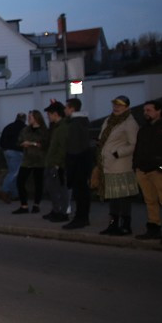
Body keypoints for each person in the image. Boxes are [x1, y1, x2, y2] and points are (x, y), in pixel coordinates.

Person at [96, 95, 140, 236]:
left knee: (123, 197)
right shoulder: (109, 120)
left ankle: (126, 226)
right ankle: (113, 225)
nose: (116, 107)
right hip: (108, 164)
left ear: (126, 107)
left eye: (120, 105)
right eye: (115, 104)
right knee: (113, 197)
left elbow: (134, 144)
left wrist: (117, 153)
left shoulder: (129, 123)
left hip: (121, 165)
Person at [133, 99, 162, 242]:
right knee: (150, 201)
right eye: (144, 110)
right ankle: (153, 228)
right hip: (143, 170)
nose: (145, 113)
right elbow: (138, 149)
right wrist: (136, 166)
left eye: (149, 110)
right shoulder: (144, 129)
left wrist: (161, 168)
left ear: (158, 111)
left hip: (158, 171)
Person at [62, 98, 94, 230]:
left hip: (78, 163)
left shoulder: (75, 124)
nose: (65, 110)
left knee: (80, 192)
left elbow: (74, 148)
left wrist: (70, 166)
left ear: (72, 109)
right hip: (83, 161)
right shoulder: (83, 122)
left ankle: (80, 218)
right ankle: (82, 217)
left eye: (66, 107)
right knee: (82, 192)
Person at [12, 110, 48, 215]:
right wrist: (22, 144)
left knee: (38, 183)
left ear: (36, 118)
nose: (29, 119)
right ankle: (24, 205)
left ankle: (36, 205)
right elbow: (19, 141)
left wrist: (33, 144)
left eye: (30, 117)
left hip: (39, 160)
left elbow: (45, 144)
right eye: (28, 117)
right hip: (27, 160)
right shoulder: (25, 130)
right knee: (20, 181)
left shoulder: (44, 130)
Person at [41, 103, 69, 222]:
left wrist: (56, 164)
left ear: (55, 114)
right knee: (53, 189)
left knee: (60, 190)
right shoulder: (57, 127)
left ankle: (62, 212)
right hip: (53, 163)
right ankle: (56, 210)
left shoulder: (62, 128)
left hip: (57, 165)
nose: (48, 117)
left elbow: (62, 148)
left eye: (49, 114)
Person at [0, 113, 26, 204]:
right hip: (17, 152)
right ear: (24, 119)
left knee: (13, 172)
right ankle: (4, 190)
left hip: (6, 151)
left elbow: (1, 141)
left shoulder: (8, 127)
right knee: (14, 173)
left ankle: (15, 194)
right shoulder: (25, 128)